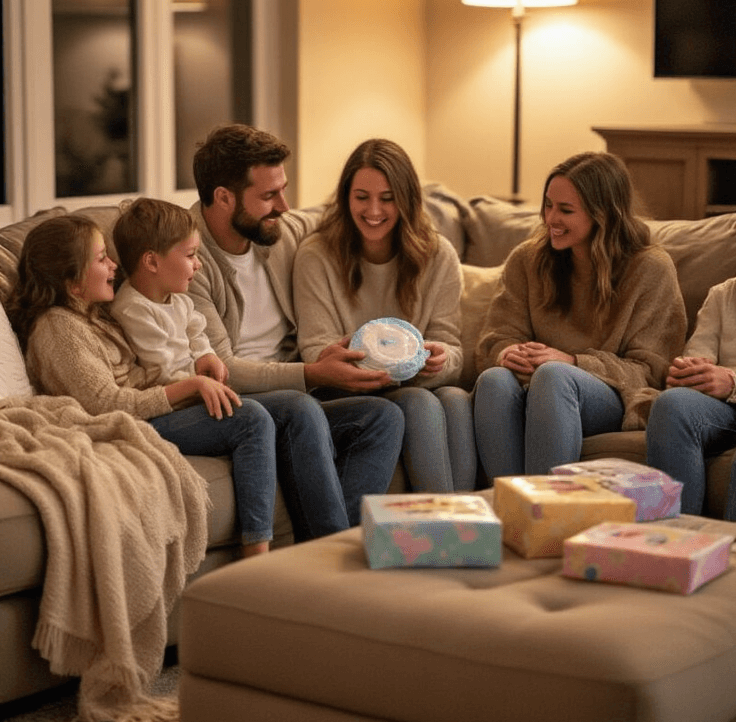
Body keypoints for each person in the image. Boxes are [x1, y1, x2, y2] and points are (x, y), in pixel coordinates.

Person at [7, 213, 363, 552]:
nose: (114, 266)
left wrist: (198, 373)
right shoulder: (58, 327)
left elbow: (151, 365)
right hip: (132, 421)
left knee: (299, 408)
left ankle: (328, 542)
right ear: (72, 281)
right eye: (102, 259)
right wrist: (191, 387)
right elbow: (105, 403)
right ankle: (257, 551)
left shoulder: (90, 316)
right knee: (250, 419)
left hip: (154, 407)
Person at [188, 124, 405, 525]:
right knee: (300, 408)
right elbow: (225, 370)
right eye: (269, 196)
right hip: (235, 401)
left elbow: (353, 221)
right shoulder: (186, 258)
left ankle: (347, 544)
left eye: (283, 190)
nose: (285, 207)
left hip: (298, 387)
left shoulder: (280, 232)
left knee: (384, 416)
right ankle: (325, 555)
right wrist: (312, 372)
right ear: (223, 197)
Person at [472, 151, 687, 480]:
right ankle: (510, 510)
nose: (551, 219)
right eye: (548, 205)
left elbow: (653, 371)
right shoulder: (527, 259)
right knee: (493, 381)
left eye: (566, 210)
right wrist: (507, 353)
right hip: (536, 383)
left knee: (554, 377)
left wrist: (572, 362)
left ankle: (547, 515)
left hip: (613, 394)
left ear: (603, 214)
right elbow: (494, 338)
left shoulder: (650, 268)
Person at [292, 138, 477, 492]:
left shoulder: (438, 255)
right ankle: (443, 524)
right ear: (346, 197)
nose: (373, 210)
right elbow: (316, 350)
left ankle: (466, 521)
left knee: (455, 399)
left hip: (416, 380)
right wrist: (378, 367)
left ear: (406, 200)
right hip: (345, 390)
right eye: (362, 197)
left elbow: (451, 347)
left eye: (387, 198)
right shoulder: (316, 256)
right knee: (419, 401)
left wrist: (439, 358)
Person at [646, 278, 736, 517]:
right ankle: (678, 544)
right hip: (722, 407)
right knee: (672, 404)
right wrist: (692, 372)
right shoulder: (721, 294)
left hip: (730, 390)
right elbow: (699, 353)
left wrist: (732, 381)